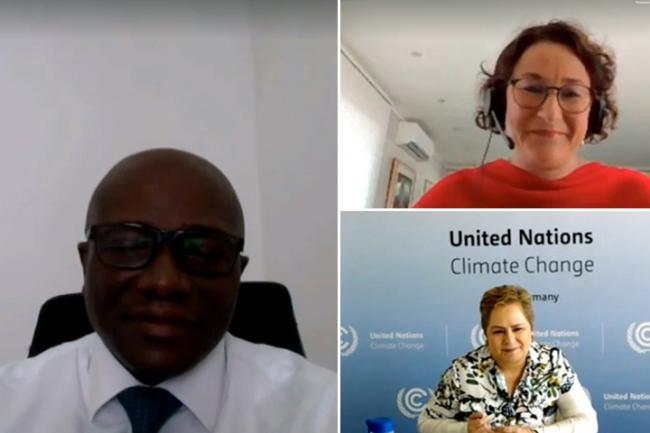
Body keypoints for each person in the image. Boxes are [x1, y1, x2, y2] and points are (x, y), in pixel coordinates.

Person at [0, 148, 336, 433]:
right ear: (86, 263)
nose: (164, 283)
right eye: (129, 245)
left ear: (238, 274)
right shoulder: (10, 406)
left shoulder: (326, 411)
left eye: (203, 252)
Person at [415, 20, 650, 208]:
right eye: (532, 89)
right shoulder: (449, 200)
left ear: (594, 112)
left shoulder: (640, 197)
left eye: (571, 94)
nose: (550, 113)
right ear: (499, 102)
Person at [418, 285, 597, 433]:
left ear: (531, 329)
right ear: (486, 334)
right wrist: (466, 429)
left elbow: (588, 423)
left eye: (518, 329)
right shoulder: (462, 371)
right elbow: (425, 424)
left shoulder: (552, 363)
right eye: (498, 331)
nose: (510, 340)